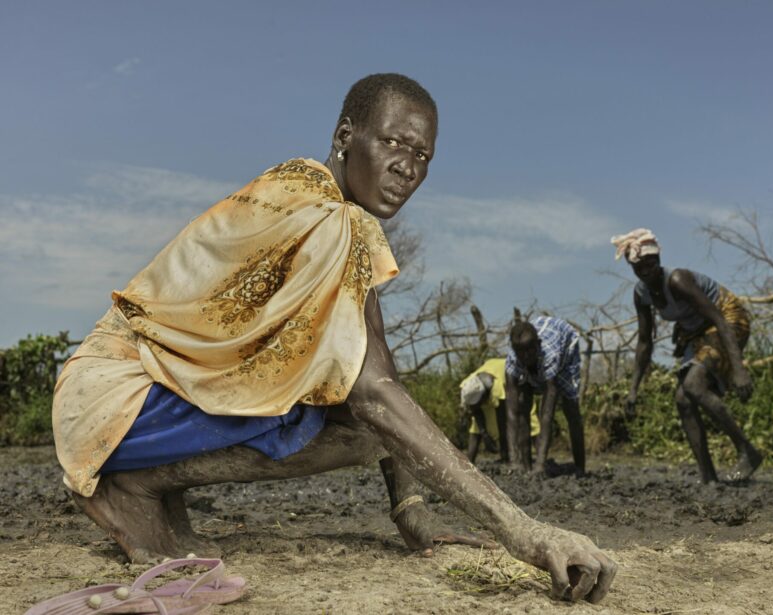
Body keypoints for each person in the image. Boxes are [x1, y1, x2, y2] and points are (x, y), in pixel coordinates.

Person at [52, 73, 616, 602]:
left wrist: (411, 511)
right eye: (394, 143)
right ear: (346, 136)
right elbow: (374, 396)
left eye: (422, 155)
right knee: (367, 423)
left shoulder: (324, 206)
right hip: (114, 406)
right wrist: (526, 533)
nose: (408, 168)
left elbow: (380, 378)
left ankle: (150, 483)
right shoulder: (328, 217)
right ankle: (133, 485)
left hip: (109, 401)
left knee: (367, 420)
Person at [612, 228, 762, 483]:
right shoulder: (642, 294)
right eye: (638, 265)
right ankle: (708, 476)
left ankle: (747, 450)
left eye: (650, 262)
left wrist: (739, 369)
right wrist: (633, 388)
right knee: (683, 399)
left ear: (657, 260)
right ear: (632, 267)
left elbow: (719, 320)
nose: (646, 269)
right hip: (699, 332)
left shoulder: (678, 280)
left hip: (728, 320)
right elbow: (645, 342)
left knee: (693, 384)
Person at [505, 316, 586, 476]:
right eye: (521, 352)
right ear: (514, 350)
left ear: (538, 345)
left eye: (530, 351)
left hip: (566, 347)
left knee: (571, 410)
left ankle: (580, 467)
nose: (526, 356)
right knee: (522, 404)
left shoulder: (551, 355)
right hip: (537, 348)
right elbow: (512, 413)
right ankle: (525, 466)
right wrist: (514, 461)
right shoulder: (513, 359)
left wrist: (541, 464)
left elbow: (547, 415)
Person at [459, 357, 541, 463]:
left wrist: (504, 454)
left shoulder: (496, 390)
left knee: (530, 420)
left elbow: (503, 423)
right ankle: (468, 463)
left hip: (517, 385)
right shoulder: (468, 385)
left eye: (477, 404)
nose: (475, 408)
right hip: (491, 377)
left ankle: (539, 459)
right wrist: (485, 434)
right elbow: (475, 411)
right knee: (476, 428)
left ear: (483, 397)